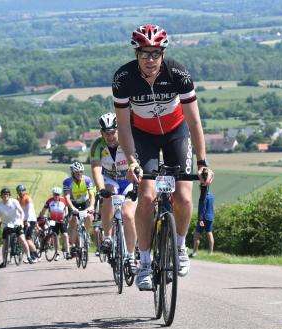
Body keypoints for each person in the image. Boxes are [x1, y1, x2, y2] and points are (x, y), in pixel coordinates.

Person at [113, 24, 214, 290]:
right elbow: (123, 126)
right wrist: (131, 161)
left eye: (155, 53)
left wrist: (203, 162)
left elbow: (194, 122)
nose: (150, 60)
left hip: (176, 133)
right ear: (136, 54)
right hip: (142, 136)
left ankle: (180, 246)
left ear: (163, 53)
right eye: (144, 53)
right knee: (146, 197)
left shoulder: (178, 73)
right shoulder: (124, 78)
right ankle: (145, 262)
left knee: (182, 196)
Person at [90, 112, 138, 273]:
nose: (110, 136)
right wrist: (100, 188)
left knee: (128, 215)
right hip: (110, 179)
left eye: (113, 132)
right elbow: (96, 168)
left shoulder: (128, 141)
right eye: (106, 133)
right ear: (101, 132)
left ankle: (131, 256)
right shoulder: (97, 145)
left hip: (128, 180)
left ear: (118, 130)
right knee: (108, 194)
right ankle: (108, 237)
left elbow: (137, 163)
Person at [0, 187, 34, 268]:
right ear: (1, 196)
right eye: (4, 195)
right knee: (5, 244)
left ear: (9, 195)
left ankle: (29, 257)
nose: (5, 196)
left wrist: (22, 222)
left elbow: (21, 212)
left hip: (17, 223)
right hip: (6, 225)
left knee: (22, 239)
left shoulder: (14, 201)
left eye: (7, 194)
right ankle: (4, 261)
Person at [62, 162, 96, 260]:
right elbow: (67, 197)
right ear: (72, 173)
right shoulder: (67, 182)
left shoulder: (87, 180)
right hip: (73, 203)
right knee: (73, 221)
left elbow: (91, 195)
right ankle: (73, 245)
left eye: (81, 172)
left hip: (84, 202)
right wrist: (72, 208)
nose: (79, 174)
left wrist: (92, 206)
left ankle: (86, 234)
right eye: (77, 173)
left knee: (89, 217)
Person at [39, 186, 70, 261]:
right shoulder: (49, 201)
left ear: (60, 194)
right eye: (55, 194)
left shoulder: (63, 200)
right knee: (55, 237)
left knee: (65, 235)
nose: (56, 196)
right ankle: (57, 253)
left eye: (58, 194)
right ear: (53, 194)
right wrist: (41, 216)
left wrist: (65, 215)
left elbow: (66, 210)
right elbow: (43, 210)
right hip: (53, 221)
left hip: (61, 220)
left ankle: (67, 252)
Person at [16, 184, 40, 262]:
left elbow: (30, 211)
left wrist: (28, 221)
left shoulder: (27, 198)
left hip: (30, 220)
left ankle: (35, 256)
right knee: (24, 238)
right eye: (19, 191)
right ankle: (32, 256)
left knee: (27, 238)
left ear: (25, 191)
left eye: (22, 191)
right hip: (24, 220)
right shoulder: (20, 199)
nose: (20, 192)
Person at [191, 191, 215, 257]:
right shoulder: (212, 196)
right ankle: (210, 252)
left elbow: (202, 209)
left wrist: (200, 219)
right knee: (210, 233)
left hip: (203, 218)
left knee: (197, 235)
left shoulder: (203, 196)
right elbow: (212, 207)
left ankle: (194, 252)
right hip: (210, 217)